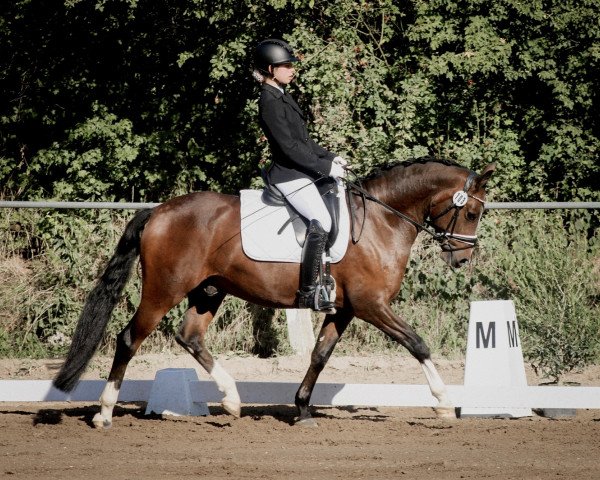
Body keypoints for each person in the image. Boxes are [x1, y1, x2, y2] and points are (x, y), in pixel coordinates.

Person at [253, 38, 347, 312]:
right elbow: (289, 148)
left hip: (300, 170)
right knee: (323, 221)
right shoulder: (269, 101)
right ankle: (308, 292)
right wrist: (325, 168)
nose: (292, 69)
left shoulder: (283, 95)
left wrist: (331, 158)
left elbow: (303, 141)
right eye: (286, 65)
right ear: (271, 68)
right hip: (288, 175)